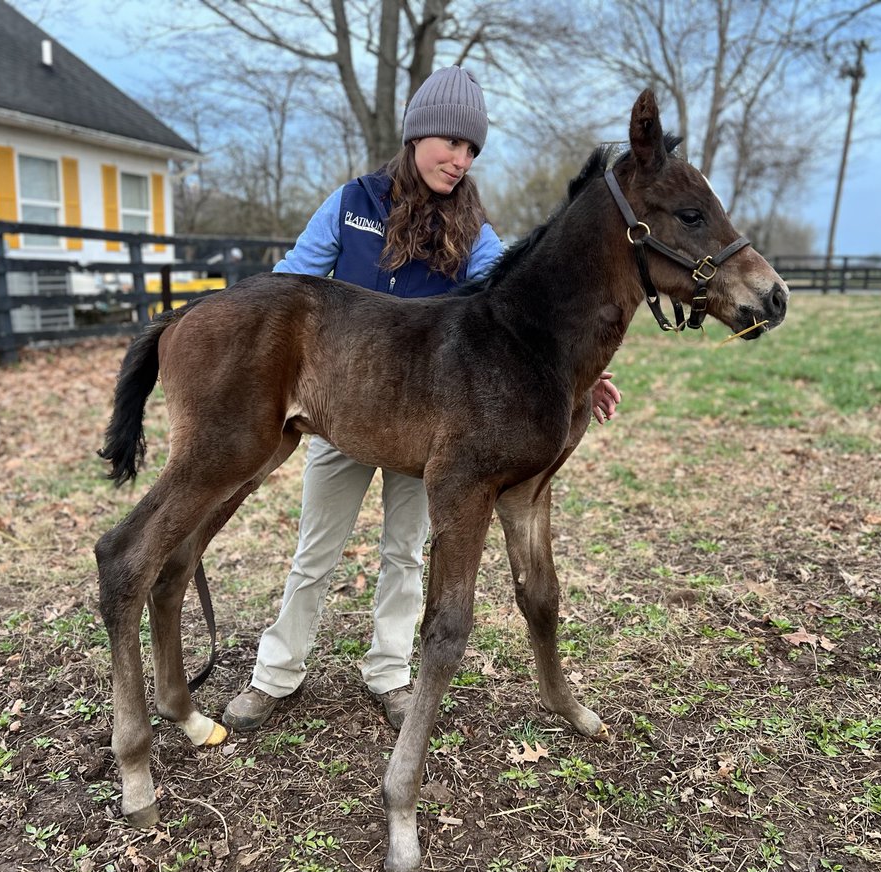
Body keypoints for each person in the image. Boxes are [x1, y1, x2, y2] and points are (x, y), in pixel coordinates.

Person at [223, 66, 621, 734]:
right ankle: (275, 675)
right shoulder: (352, 202)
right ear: (414, 136)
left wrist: (576, 371)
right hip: (342, 400)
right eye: (449, 142)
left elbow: (518, 305)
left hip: (426, 414)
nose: (460, 159)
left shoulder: (473, 226)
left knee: (407, 553)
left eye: (471, 150)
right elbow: (291, 281)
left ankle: (389, 671)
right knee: (316, 552)